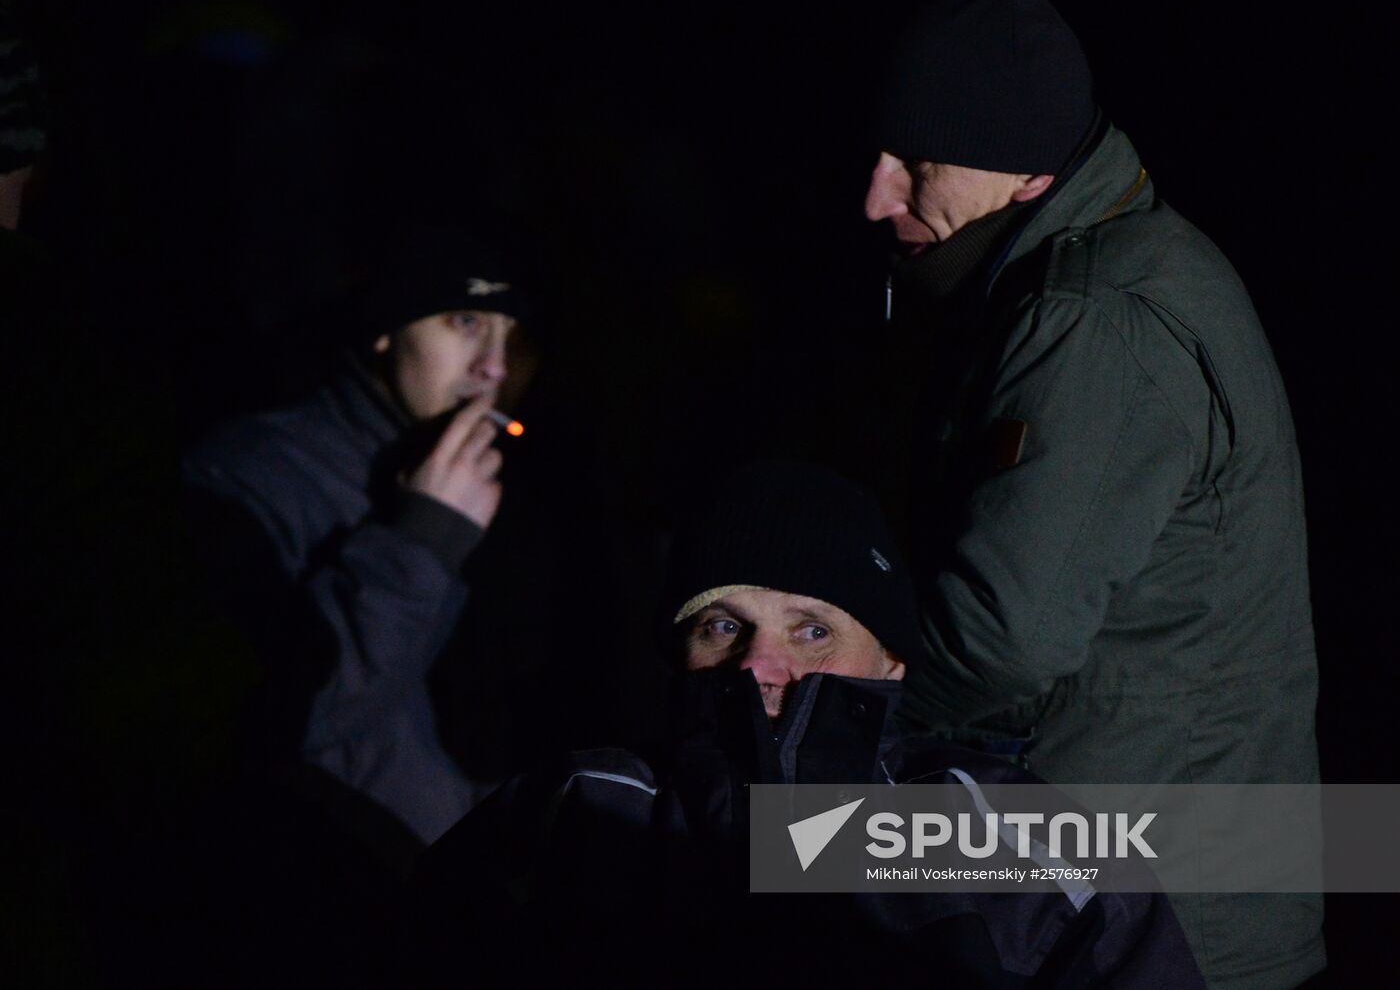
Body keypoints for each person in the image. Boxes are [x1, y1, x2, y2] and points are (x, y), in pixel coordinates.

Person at [860, 0, 1322, 986]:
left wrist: (831, 727)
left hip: (1157, 928)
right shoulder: (1106, 266)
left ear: (1024, 170)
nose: (873, 195)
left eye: (916, 163)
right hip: (1162, 906)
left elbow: (1000, 642)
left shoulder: (1093, 317)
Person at [408, 461, 1203, 988]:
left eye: (812, 629)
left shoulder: (1013, 830)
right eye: (721, 625)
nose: (761, 663)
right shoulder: (573, 805)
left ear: (890, 660)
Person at [184, 222, 522, 848]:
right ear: (386, 328)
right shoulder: (251, 475)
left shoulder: (477, 479)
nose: (494, 368)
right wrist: (422, 540)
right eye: (466, 323)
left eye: (508, 333)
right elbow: (274, 720)